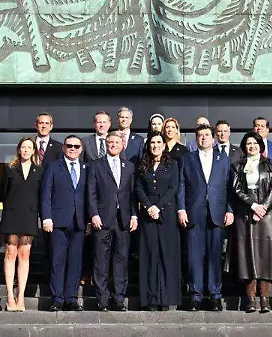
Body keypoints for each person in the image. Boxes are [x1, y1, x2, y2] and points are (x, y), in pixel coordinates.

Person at [177, 124, 234, 311]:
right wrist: (181, 209)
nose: (204, 138)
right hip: (194, 213)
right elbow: (182, 185)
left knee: (215, 256)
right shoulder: (188, 158)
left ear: (213, 138)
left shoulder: (223, 159)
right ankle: (196, 295)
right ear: (196, 138)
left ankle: (215, 295)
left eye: (207, 135)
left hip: (217, 214)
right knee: (195, 256)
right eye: (200, 135)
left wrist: (230, 210)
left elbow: (229, 188)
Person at [229, 131, 272, 313]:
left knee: (265, 257)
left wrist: (263, 208)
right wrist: (253, 205)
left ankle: (265, 299)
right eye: (248, 143)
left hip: (267, 216)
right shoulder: (237, 166)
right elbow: (236, 189)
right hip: (245, 215)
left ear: (261, 146)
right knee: (248, 257)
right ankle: (251, 299)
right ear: (244, 147)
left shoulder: (271, 164)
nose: (252, 146)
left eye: (255, 143)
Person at [86, 133, 137, 311]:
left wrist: (134, 215)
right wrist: (93, 214)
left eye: (117, 142)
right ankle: (102, 300)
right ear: (106, 145)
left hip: (123, 220)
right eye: (110, 142)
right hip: (102, 219)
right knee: (101, 260)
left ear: (123, 145)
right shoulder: (95, 165)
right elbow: (91, 193)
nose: (113, 145)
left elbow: (132, 194)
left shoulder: (129, 166)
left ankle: (119, 299)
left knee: (121, 260)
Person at [135, 131, 182, 310]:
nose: (155, 146)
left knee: (166, 255)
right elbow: (138, 188)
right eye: (152, 143)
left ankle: (165, 298)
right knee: (150, 255)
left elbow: (173, 187)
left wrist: (158, 207)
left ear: (164, 145)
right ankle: (151, 299)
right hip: (148, 216)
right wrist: (148, 207)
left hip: (166, 214)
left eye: (158, 142)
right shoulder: (143, 165)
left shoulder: (173, 165)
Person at [41, 135, 88, 312]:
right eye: (69, 145)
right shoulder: (54, 166)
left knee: (75, 262)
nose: (73, 149)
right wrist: (46, 217)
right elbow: (46, 193)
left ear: (81, 149)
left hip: (80, 222)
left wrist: (89, 220)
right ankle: (57, 298)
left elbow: (89, 196)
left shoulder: (86, 167)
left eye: (76, 146)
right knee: (57, 261)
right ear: (63, 148)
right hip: (58, 222)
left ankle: (71, 298)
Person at [0, 137, 42, 312]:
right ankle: (10, 296)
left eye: (29, 147)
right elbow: (3, 193)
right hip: (11, 214)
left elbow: (40, 194)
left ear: (34, 151)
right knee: (10, 252)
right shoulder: (10, 169)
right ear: (19, 149)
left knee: (24, 254)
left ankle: (21, 296)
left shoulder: (39, 171)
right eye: (23, 147)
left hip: (29, 216)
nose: (25, 150)